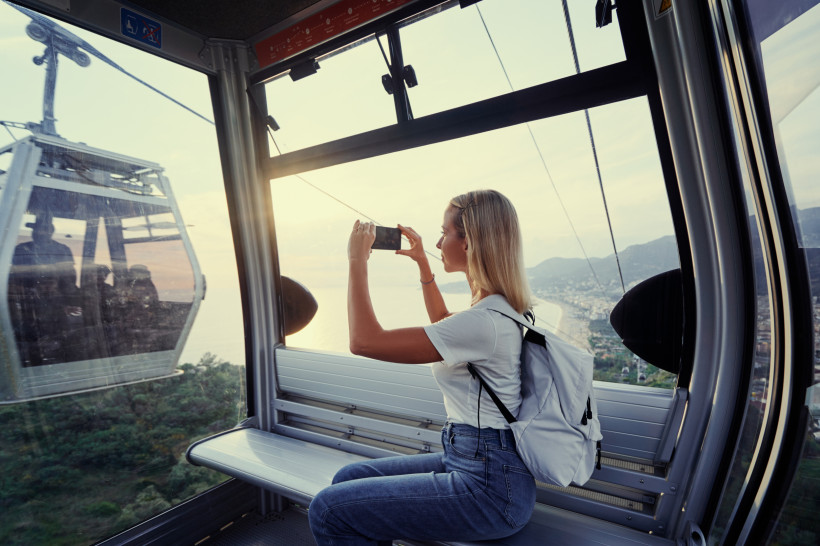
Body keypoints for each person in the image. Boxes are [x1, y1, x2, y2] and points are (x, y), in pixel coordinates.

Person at [308, 189, 536, 545]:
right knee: (347, 479)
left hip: (490, 490)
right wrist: (423, 263)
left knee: (328, 510)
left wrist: (357, 260)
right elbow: (445, 320)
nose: (437, 240)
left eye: (444, 232)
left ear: (469, 242)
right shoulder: (495, 310)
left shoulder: (485, 322)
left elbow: (363, 341)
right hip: (474, 461)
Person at [9, 215, 80, 365]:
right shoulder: (21, 249)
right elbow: (13, 278)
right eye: (37, 229)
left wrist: (67, 301)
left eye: (44, 229)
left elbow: (69, 278)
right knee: (28, 343)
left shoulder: (62, 249)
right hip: (27, 305)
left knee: (62, 340)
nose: (40, 232)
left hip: (57, 303)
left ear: (51, 231)